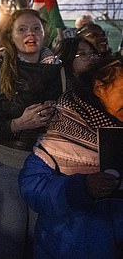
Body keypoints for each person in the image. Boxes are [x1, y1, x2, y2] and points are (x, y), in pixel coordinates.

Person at [0, 9, 64, 259]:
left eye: (36, 28)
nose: (30, 34)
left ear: (45, 33)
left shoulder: (61, 74)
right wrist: (18, 124)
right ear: (10, 36)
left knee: (43, 245)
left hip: (46, 169)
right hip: (4, 167)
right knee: (7, 247)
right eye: (22, 29)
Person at [19, 57, 123, 259]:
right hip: (70, 245)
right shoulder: (65, 127)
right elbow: (32, 185)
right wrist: (81, 188)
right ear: (99, 87)